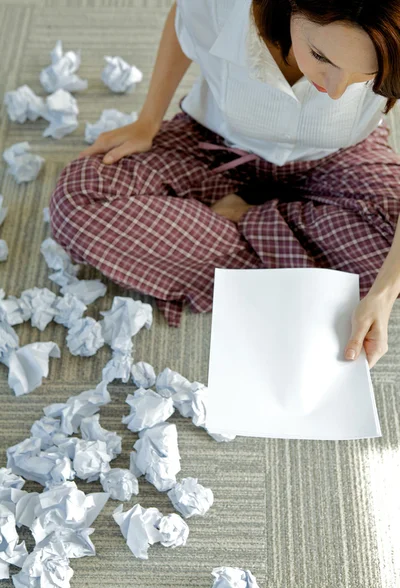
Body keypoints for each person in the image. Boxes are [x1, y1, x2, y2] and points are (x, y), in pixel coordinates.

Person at [49, 0, 400, 368]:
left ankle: (246, 218)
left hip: (340, 160)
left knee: (391, 264)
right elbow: (183, 19)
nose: (336, 90)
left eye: (365, 74)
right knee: (79, 199)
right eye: (321, 57)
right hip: (218, 150)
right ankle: (302, 263)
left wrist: (384, 292)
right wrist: (147, 121)